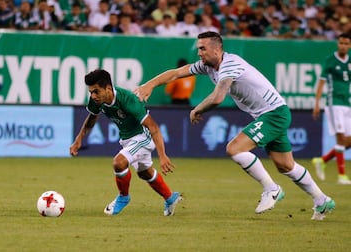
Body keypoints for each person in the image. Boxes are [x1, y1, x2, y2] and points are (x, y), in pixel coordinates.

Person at [135, 31, 335, 220]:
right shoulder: (207, 66)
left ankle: (271, 189)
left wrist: (197, 109)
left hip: (273, 114)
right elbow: (176, 73)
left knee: (235, 149)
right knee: (285, 165)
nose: (199, 53)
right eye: (198, 49)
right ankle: (322, 200)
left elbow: (218, 97)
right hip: (270, 114)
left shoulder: (230, 65)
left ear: (216, 50)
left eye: (203, 48)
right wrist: (149, 85)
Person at [70, 69, 182, 216]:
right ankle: (170, 197)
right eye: (90, 92)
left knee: (119, 163)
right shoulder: (97, 100)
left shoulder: (127, 99)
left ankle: (123, 197)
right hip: (127, 139)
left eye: (96, 91)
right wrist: (79, 139)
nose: (93, 96)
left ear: (108, 88)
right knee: (145, 173)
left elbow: (153, 127)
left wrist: (162, 155)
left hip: (143, 137)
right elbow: (92, 117)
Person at [312, 33, 351, 185]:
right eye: (341, 43)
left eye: (346, 43)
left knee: (348, 141)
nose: (343, 46)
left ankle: (321, 160)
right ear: (337, 44)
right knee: (340, 140)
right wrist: (317, 103)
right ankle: (342, 176)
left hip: (347, 103)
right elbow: (321, 83)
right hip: (333, 103)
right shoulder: (330, 60)